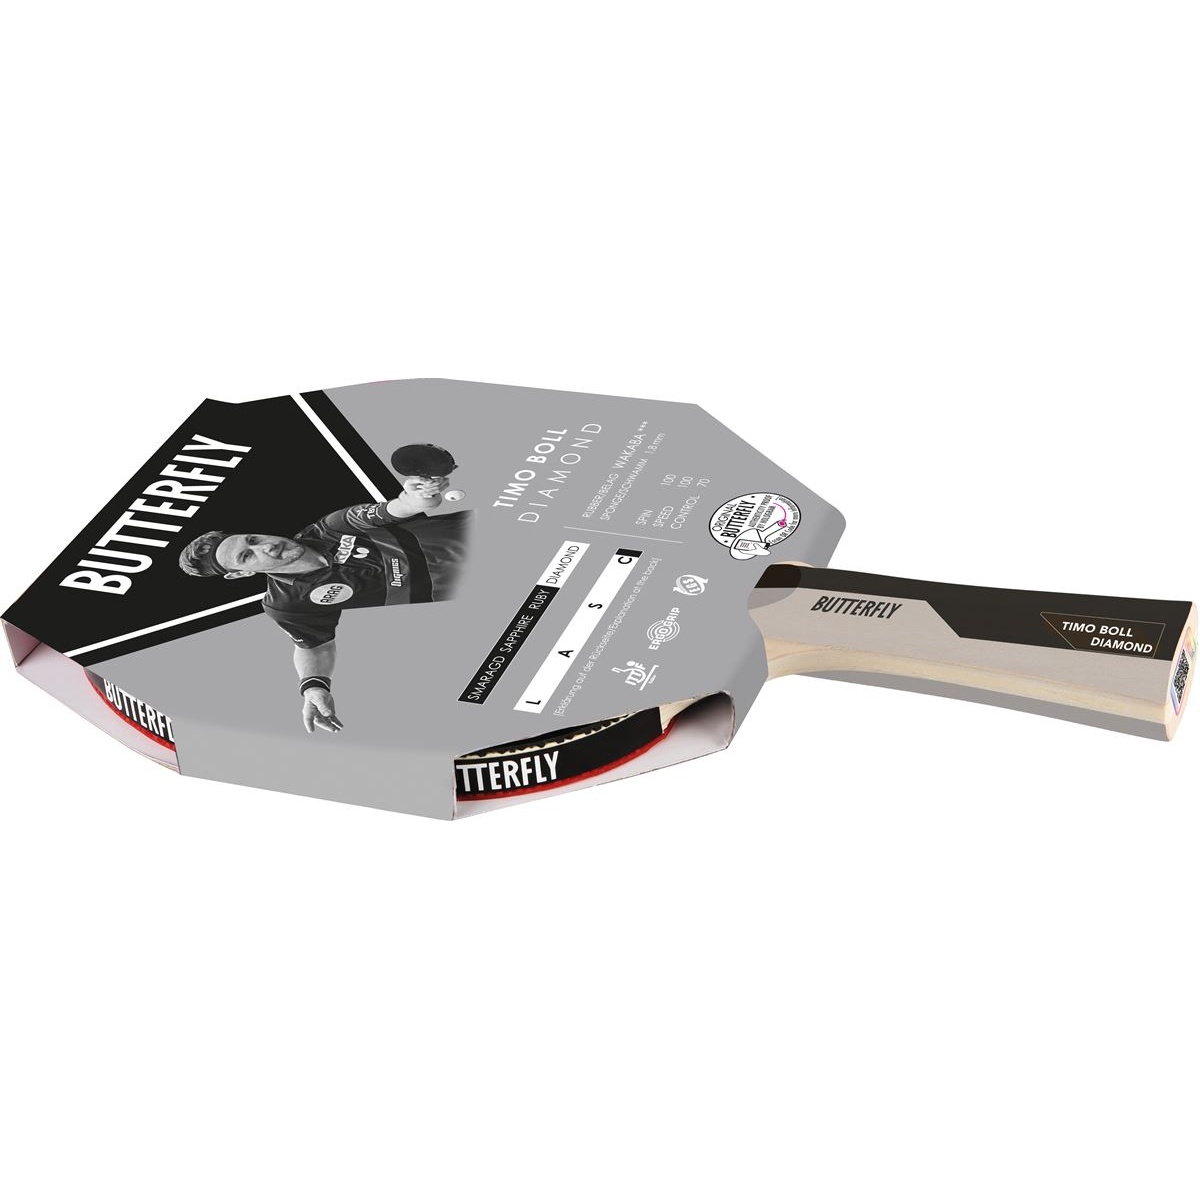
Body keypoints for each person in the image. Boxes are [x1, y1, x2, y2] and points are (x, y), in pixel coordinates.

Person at [178, 444, 469, 734]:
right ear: (241, 573)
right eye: (247, 556)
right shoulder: (287, 604)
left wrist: (418, 495)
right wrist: (313, 686)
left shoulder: (332, 527)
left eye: (252, 539)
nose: (266, 546)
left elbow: (398, 508)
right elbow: (314, 646)